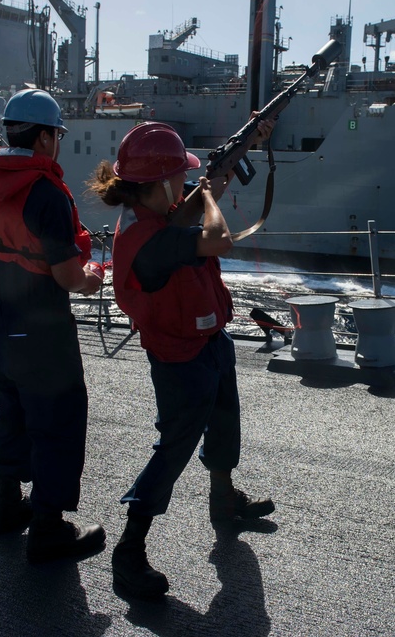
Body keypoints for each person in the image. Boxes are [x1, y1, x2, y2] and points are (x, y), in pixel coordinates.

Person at [87, 120, 275, 598]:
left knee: (225, 421)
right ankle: (129, 551)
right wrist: (210, 196)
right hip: (180, 358)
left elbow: (182, 218)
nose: (185, 184)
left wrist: (237, 156)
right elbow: (216, 239)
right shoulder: (148, 241)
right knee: (173, 448)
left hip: (208, 341)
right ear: (160, 183)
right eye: (180, 177)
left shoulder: (153, 218)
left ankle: (223, 498)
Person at [0, 89, 106, 563]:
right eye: (56, 135)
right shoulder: (45, 194)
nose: (57, 143)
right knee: (57, 424)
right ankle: (48, 528)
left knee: (14, 415)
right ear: (43, 137)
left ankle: (7, 506)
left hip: (5, 325)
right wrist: (93, 279)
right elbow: (66, 274)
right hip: (45, 333)